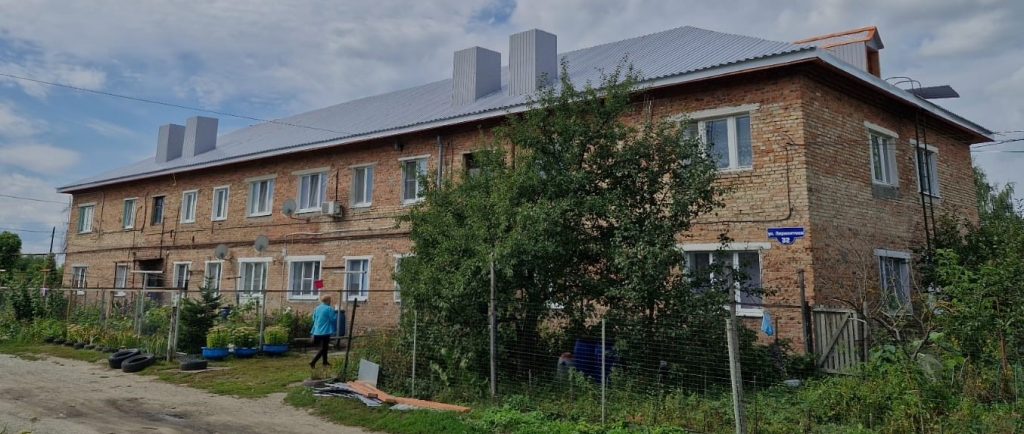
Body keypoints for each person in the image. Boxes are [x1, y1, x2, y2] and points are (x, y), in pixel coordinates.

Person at [309, 294, 337, 369]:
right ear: (327, 301)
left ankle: (325, 362)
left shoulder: (317, 308)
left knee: (325, 347)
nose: (330, 301)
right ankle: (313, 362)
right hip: (325, 331)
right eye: (330, 300)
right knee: (324, 348)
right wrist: (336, 313)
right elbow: (333, 319)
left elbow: (313, 318)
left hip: (317, 331)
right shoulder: (329, 309)